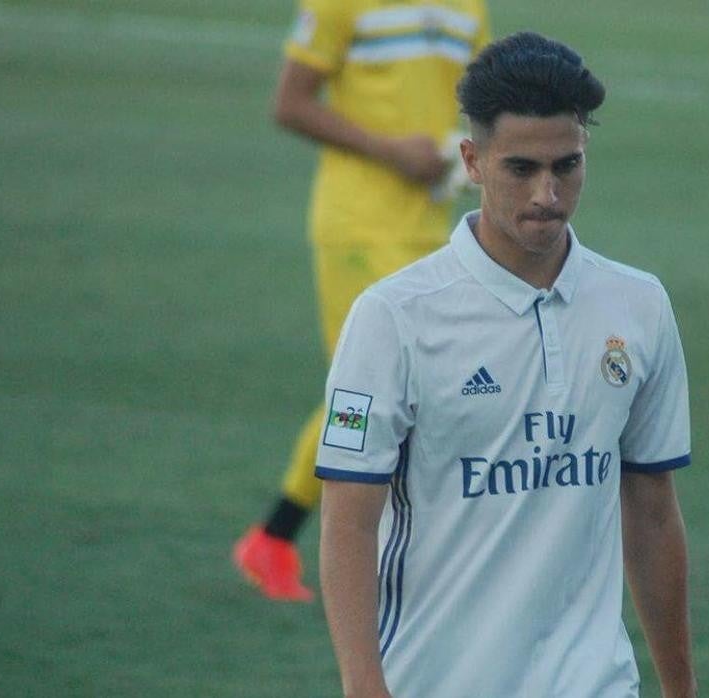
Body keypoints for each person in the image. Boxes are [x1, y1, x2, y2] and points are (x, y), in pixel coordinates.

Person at [316, 32, 697, 698]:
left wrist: (681, 688)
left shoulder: (638, 306)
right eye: (522, 168)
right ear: (473, 160)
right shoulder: (391, 318)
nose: (548, 194)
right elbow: (349, 517)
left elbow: (653, 512)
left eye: (567, 166)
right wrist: (363, 685)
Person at [233, 0, 491, 601]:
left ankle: (274, 539)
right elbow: (289, 104)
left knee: (402, 389)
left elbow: (482, 100)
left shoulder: (468, 7)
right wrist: (390, 151)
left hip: (433, 225)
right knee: (369, 390)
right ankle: (296, 541)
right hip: (358, 226)